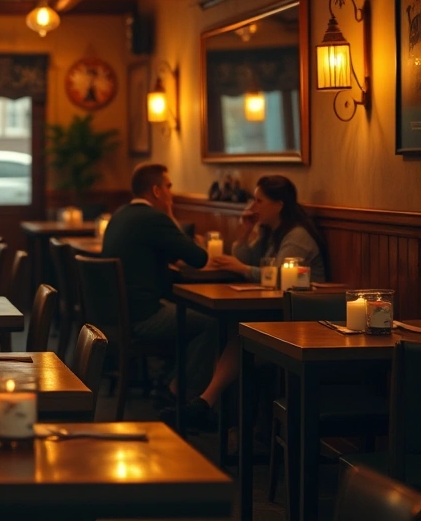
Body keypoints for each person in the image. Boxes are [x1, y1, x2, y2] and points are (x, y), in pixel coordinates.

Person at [166, 176, 329, 428]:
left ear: (279, 204)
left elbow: (276, 275)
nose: (253, 206)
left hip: (303, 322)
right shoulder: (272, 232)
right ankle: (205, 407)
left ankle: (203, 405)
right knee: (229, 331)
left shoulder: (296, 236)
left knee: (238, 335)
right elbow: (245, 257)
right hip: (279, 314)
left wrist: (242, 268)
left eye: (259, 200)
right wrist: (244, 231)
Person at [101, 163, 217, 411]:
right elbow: (199, 258)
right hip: (143, 317)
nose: (171, 193)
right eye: (168, 187)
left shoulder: (120, 214)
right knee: (213, 323)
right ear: (156, 191)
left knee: (192, 316)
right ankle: (175, 392)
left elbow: (172, 254)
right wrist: (169, 214)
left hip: (117, 314)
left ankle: (168, 382)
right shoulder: (153, 217)